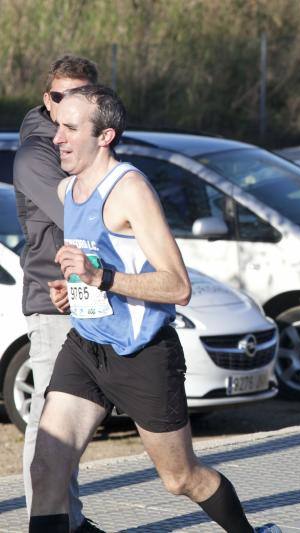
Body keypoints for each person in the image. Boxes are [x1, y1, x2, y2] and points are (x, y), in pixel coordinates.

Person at [27, 85, 279, 533]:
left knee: (180, 478)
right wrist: (73, 289)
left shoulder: (129, 189)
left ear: (104, 136)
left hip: (142, 354)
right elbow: (91, 269)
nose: (57, 138)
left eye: (69, 129)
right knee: (46, 472)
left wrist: (100, 277)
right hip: (86, 347)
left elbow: (178, 286)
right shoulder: (69, 191)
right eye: (56, 127)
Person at [13, 55, 101, 533]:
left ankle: (69, 518)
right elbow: (84, 217)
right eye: (60, 95)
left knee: (68, 418)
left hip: (87, 292)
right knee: (48, 422)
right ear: (47, 99)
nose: (68, 105)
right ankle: (46, 520)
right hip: (53, 300)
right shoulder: (37, 154)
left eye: (81, 95)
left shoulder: (86, 141)